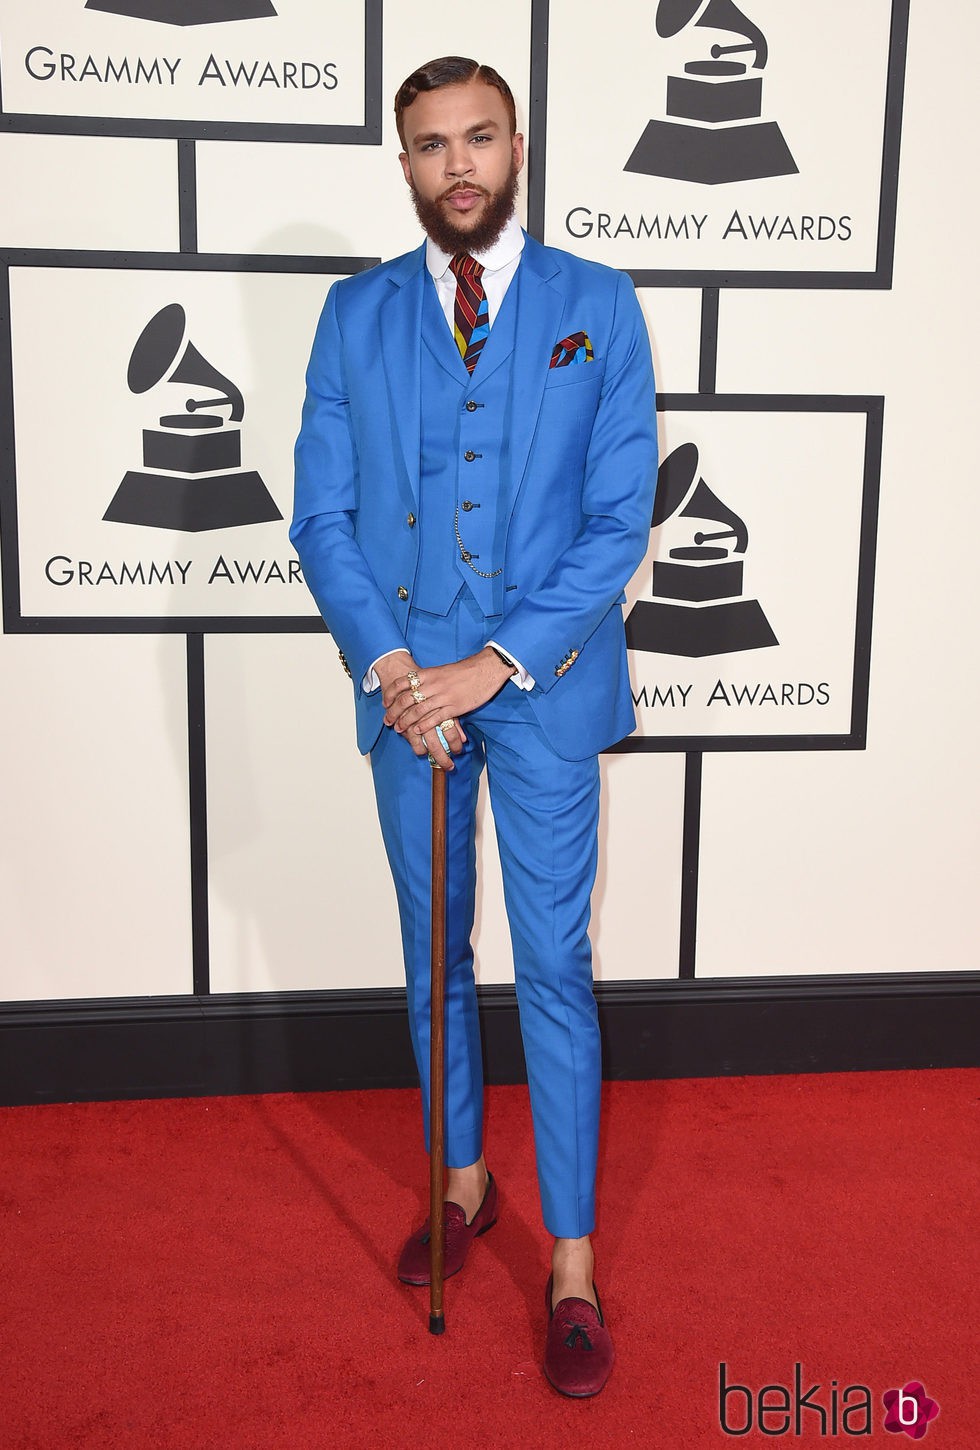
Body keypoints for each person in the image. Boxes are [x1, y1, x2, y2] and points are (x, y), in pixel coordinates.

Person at [292, 55, 657, 1398]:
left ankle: (569, 1261)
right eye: (431, 144)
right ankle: (462, 1179)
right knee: (431, 952)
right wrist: (399, 667)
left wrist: (490, 665)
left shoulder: (598, 308)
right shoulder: (354, 316)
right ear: (404, 164)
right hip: (406, 689)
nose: (458, 164)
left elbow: (618, 520)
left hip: (545, 687)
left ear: (518, 145)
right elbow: (320, 514)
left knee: (552, 961)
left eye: (480, 139)